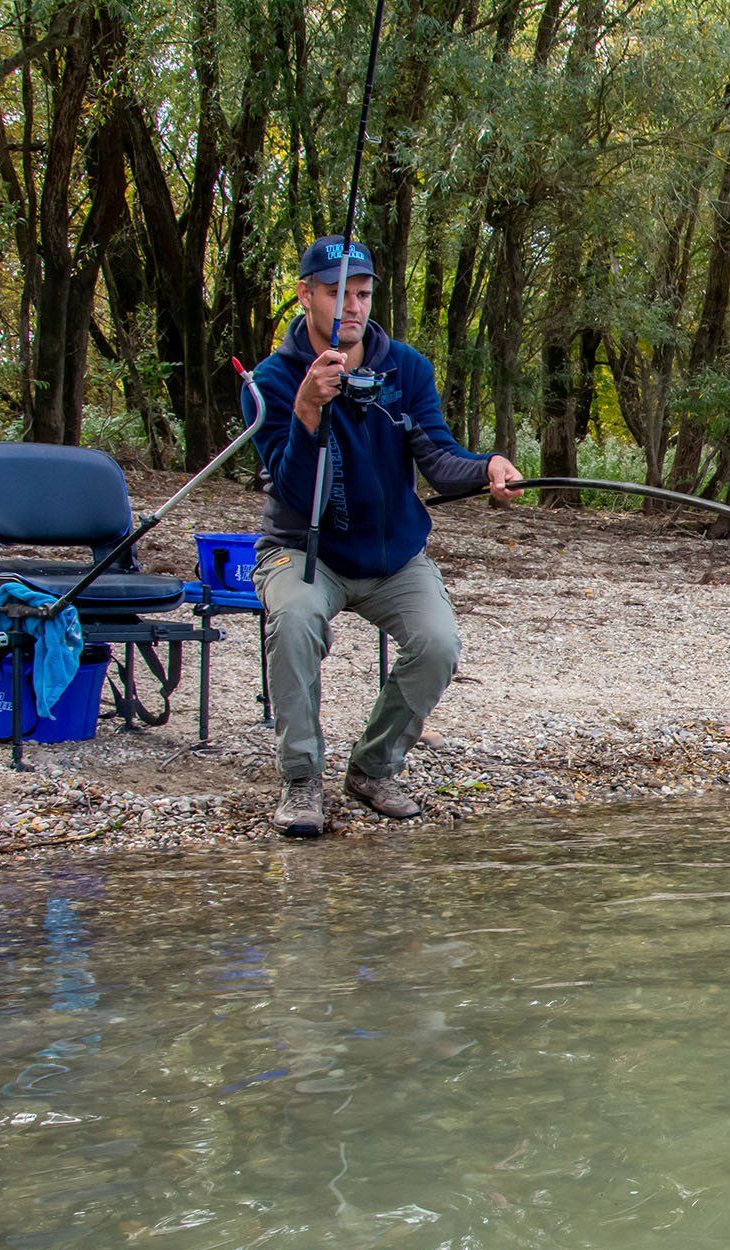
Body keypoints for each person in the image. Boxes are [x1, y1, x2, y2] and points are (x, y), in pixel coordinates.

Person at [243, 235, 522, 838]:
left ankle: (372, 769)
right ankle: (300, 780)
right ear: (305, 295)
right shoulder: (269, 381)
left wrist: (487, 469)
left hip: (393, 557)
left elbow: (438, 457)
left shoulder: (408, 368)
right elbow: (294, 492)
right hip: (302, 549)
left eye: (364, 294)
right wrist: (308, 411)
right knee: (293, 623)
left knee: (439, 643)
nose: (352, 308)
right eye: (337, 294)